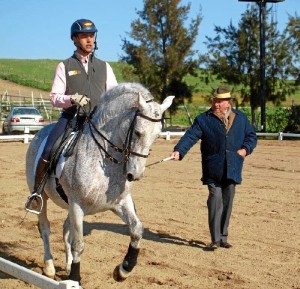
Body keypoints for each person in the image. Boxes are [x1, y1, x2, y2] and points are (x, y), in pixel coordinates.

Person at [26, 19, 118, 213]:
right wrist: (72, 99)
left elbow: (114, 94)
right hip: (71, 119)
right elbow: (54, 98)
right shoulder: (65, 66)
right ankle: (36, 193)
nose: (89, 40)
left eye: (92, 36)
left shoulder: (104, 67)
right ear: (75, 39)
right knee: (49, 148)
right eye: (84, 36)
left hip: (97, 122)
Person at [170, 85, 257, 249]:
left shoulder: (240, 118)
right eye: (215, 100)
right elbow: (190, 136)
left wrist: (245, 150)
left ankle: (223, 237)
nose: (216, 104)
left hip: (233, 167)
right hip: (212, 169)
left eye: (220, 101)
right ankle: (215, 239)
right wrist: (179, 151)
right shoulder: (203, 119)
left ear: (228, 102)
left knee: (227, 202)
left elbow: (251, 136)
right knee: (215, 200)